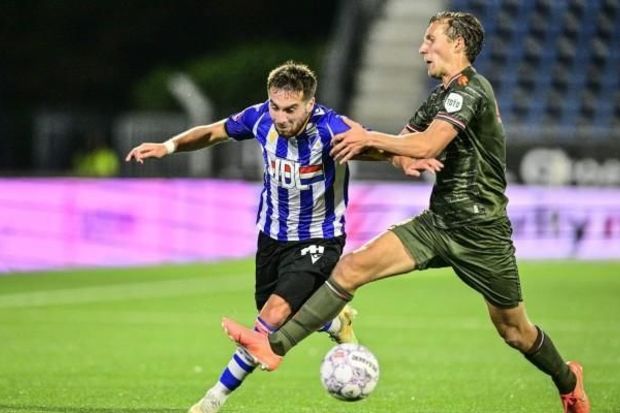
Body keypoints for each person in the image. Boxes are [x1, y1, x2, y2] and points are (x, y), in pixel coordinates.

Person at [222, 12, 590, 413]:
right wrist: (386, 151)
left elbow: (428, 144)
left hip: (482, 231)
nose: (422, 48)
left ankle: (568, 381)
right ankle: (274, 347)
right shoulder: (440, 97)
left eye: (431, 39)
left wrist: (373, 138)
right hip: (436, 224)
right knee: (350, 269)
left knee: (514, 331)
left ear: (457, 43)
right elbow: (404, 144)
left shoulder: (470, 90)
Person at [125, 61, 441, 413]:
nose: (281, 117)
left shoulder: (330, 127)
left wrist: (403, 159)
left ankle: (212, 400)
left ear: (310, 104)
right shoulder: (259, 118)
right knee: (274, 311)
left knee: (269, 321)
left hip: (320, 238)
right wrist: (168, 146)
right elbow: (214, 132)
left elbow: (372, 146)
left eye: (291, 109)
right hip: (272, 236)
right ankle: (335, 320)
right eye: (276, 107)